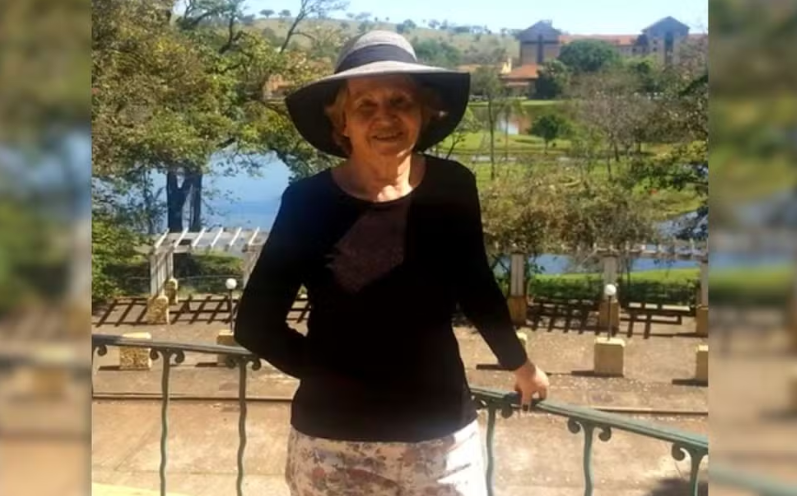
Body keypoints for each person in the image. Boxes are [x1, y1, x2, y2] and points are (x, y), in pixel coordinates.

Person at [234, 30, 549, 496]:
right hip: (334, 445)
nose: (385, 116)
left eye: (401, 101)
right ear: (342, 122)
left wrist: (519, 364)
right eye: (366, 105)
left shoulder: (452, 187)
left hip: (441, 441)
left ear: (424, 112)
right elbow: (255, 324)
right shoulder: (308, 202)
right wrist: (335, 376)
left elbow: (475, 284)